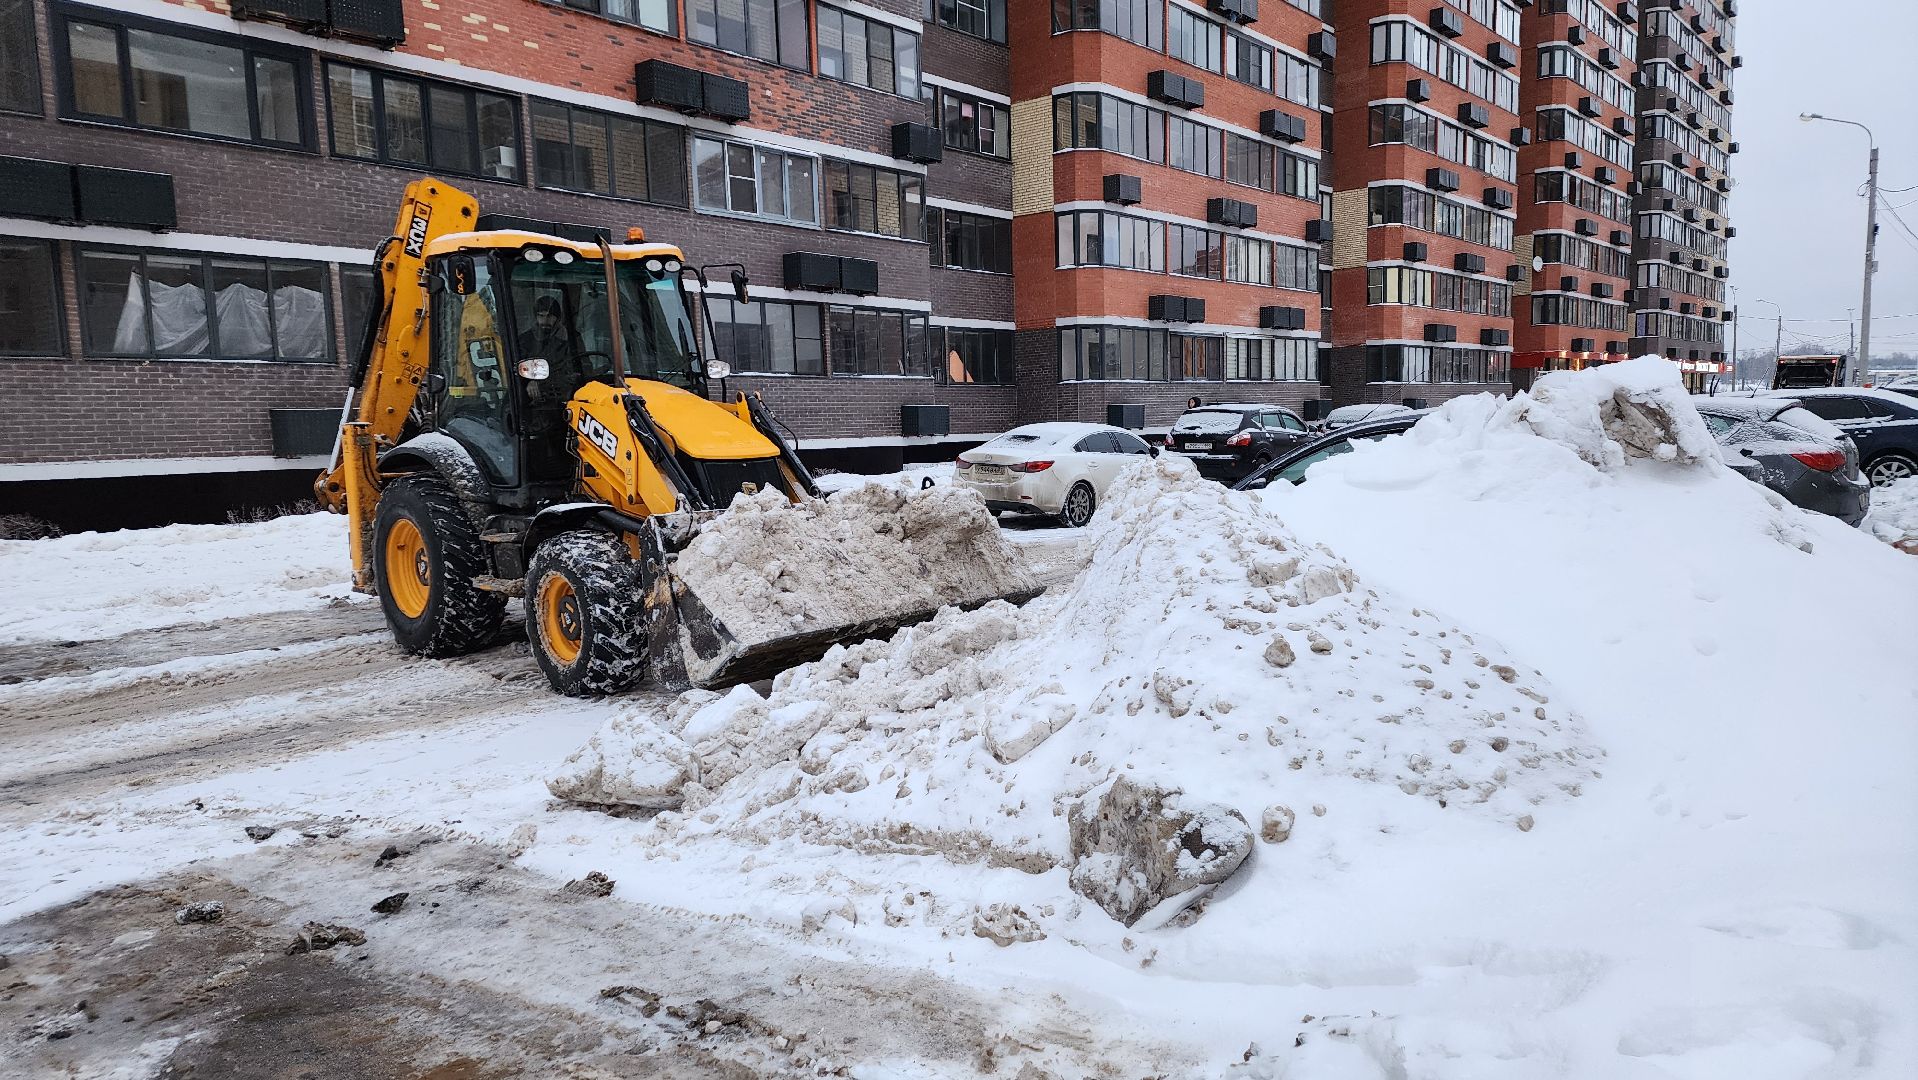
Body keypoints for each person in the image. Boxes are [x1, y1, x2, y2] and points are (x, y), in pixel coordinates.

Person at [517, 296, 585, 405]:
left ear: (557, 318)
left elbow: (580, 368)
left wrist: (542, 384)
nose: (545, 321)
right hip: (533, 399)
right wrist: (529, 382)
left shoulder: (572, 338)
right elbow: (517, 369)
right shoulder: (525, 340)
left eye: (549, 316)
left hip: (568, 394)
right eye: (541, 316)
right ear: (536, 317)